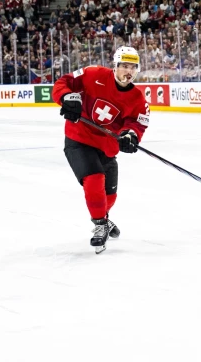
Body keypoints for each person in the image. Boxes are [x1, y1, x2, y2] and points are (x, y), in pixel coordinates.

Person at [53, 47, 150, 254]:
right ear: (115, 66)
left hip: (107, 147)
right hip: (79, 138)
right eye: (124, 66)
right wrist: (67, 97)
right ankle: (100, 224)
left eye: (133, 67)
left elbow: (136, 123)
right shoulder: (93, 74)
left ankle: (103, 217)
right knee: (94, 178)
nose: (128, 71)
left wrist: (130, 135)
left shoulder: (137, 98)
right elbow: (65, 82)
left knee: (110, 195)